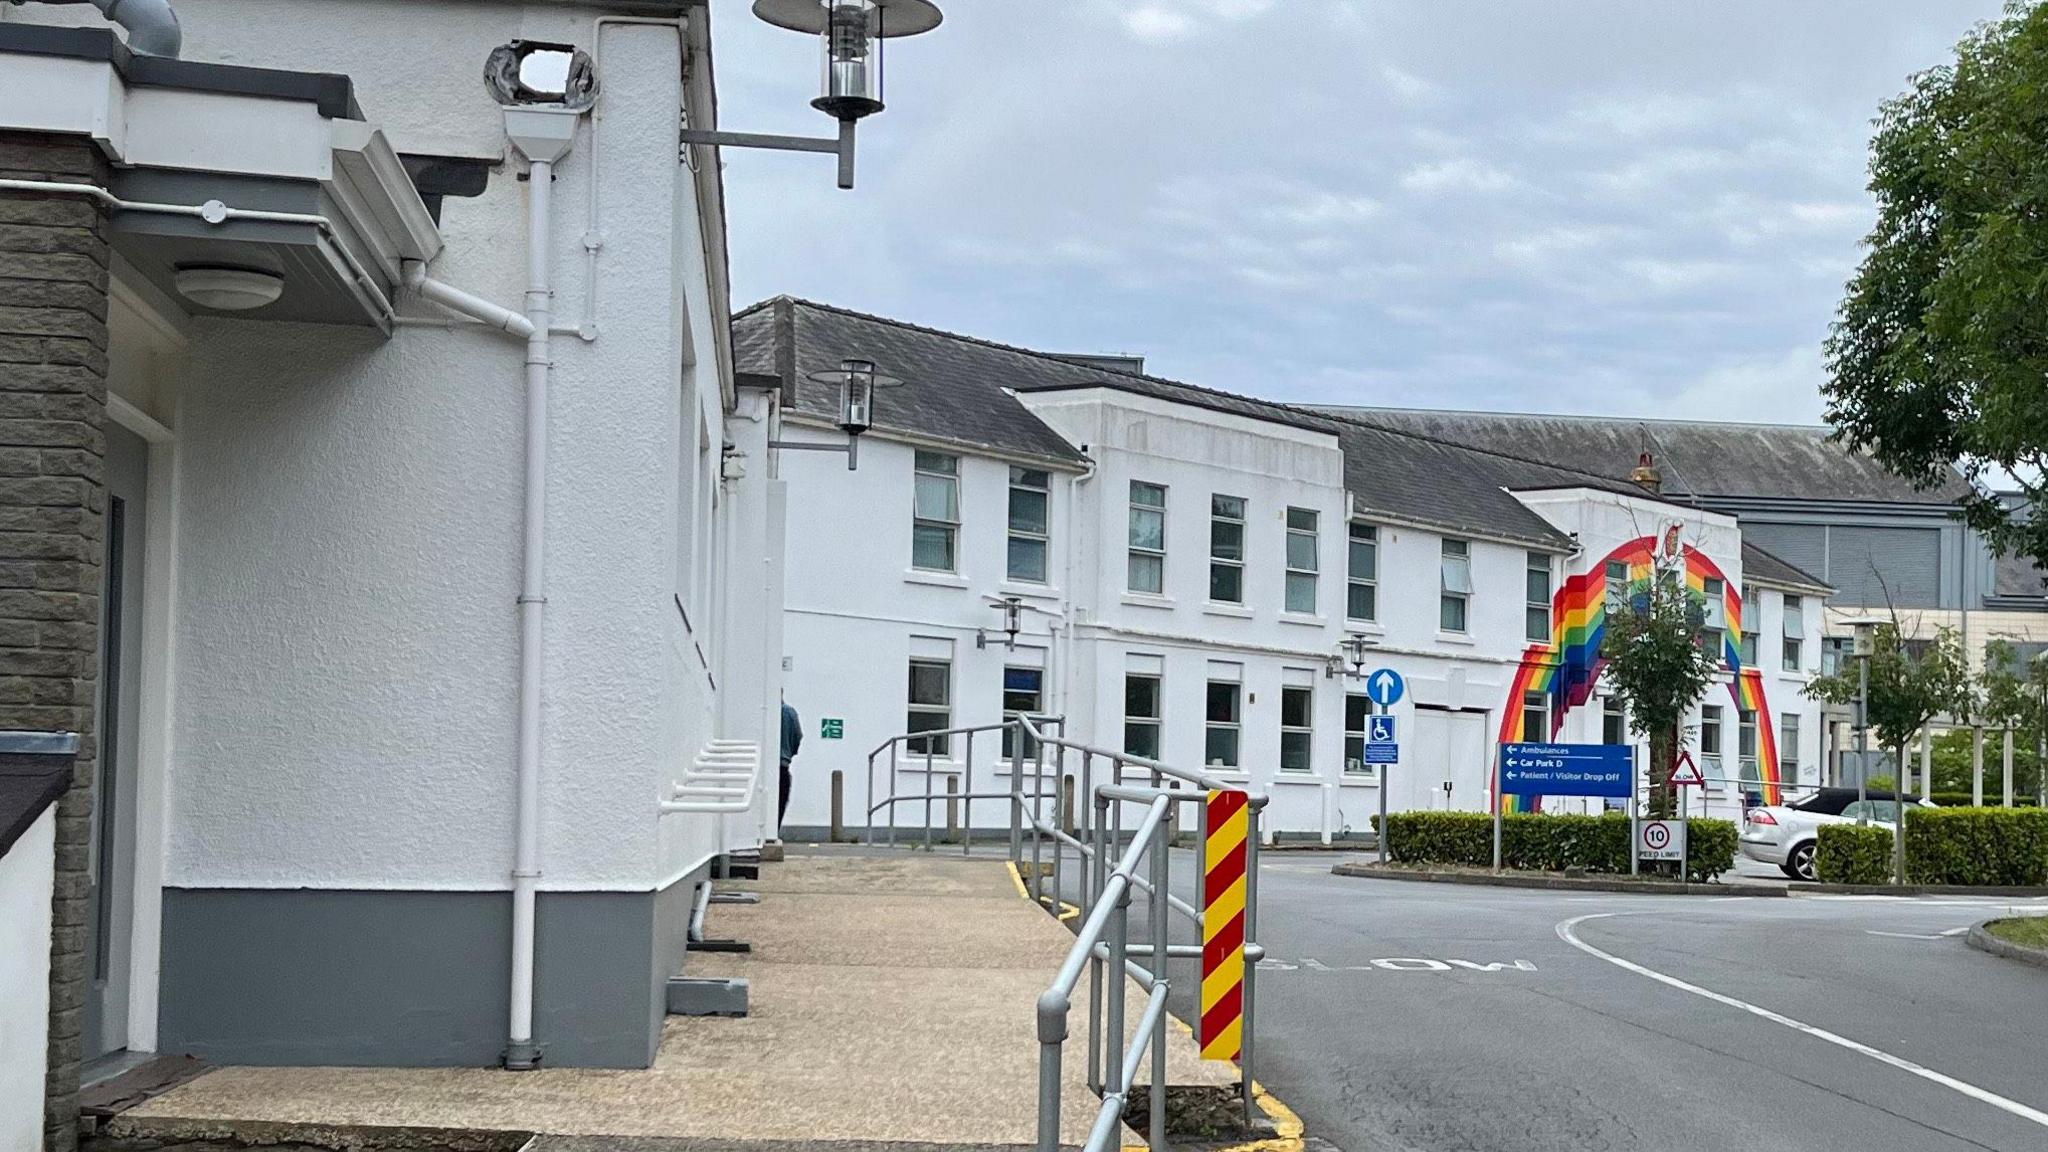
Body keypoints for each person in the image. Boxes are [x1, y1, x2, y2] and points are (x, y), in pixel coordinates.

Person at [779, 698, 802, 827]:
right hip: (783, 765)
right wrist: (789, 753)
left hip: (764, 767)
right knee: (780, 804)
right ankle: (773, 832)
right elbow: (798, 736)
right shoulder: (790, 713)